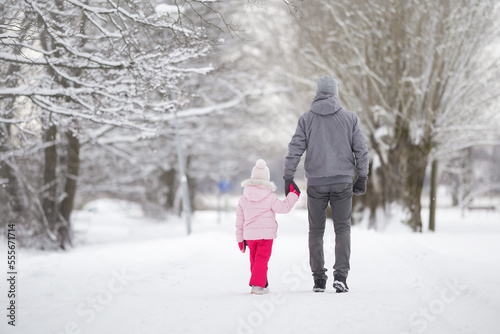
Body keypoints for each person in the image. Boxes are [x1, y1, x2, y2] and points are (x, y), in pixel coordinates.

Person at [283, 75, 369, 293]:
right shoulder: (350, 118)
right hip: (342, 182)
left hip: (317, 184)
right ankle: (341, 275)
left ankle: (318, 278)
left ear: (317, 93)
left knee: (316, 231)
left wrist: (288, 177)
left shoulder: (306, 119)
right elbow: (361, 150)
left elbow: (295, 150)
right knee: (342, 228)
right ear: (335, 93)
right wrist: (362, 176)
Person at [236, 159, 300, 295]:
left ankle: (261, 283)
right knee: (262, 259)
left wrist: (240, 240)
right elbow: (284, 208)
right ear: (267, 179)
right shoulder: (270, 197)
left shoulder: (243, 198)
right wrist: (293, 195)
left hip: (249, 236)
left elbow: (239, 221)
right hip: (266, 236)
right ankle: (257, 286)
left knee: (254, 259)